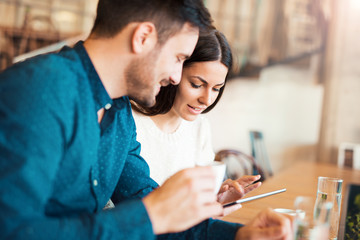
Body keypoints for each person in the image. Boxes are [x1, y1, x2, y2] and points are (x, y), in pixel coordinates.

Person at [0, 0, 293, 239]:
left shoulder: (119, 114)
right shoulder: (38, 91)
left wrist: (239, 236)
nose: (176, 77)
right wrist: (149, 216)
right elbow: (13, 231)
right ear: (143, 38)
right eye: (179, 58)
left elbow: (160, 211)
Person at [131, 30, 261, 206]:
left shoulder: (200, 127)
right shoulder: (129, 123)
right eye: (197, 84)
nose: (206, 100)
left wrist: (217, 199)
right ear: (174, 71)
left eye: (216, 88)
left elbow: (193, 204)